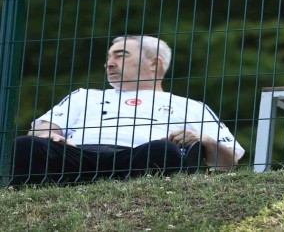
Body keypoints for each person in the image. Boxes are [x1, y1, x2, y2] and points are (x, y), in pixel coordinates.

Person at [11, 35, 245, 185]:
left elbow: (229, 162)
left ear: (154, 64)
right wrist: (48, 135)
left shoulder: (191, 106)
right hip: (80, 156)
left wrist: (205, 140)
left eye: (120, 56)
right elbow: (39, 131)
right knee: (26, 144)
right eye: (108, 57)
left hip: (139, 158)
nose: (109, 63)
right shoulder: (84, 95)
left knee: (164, 150)